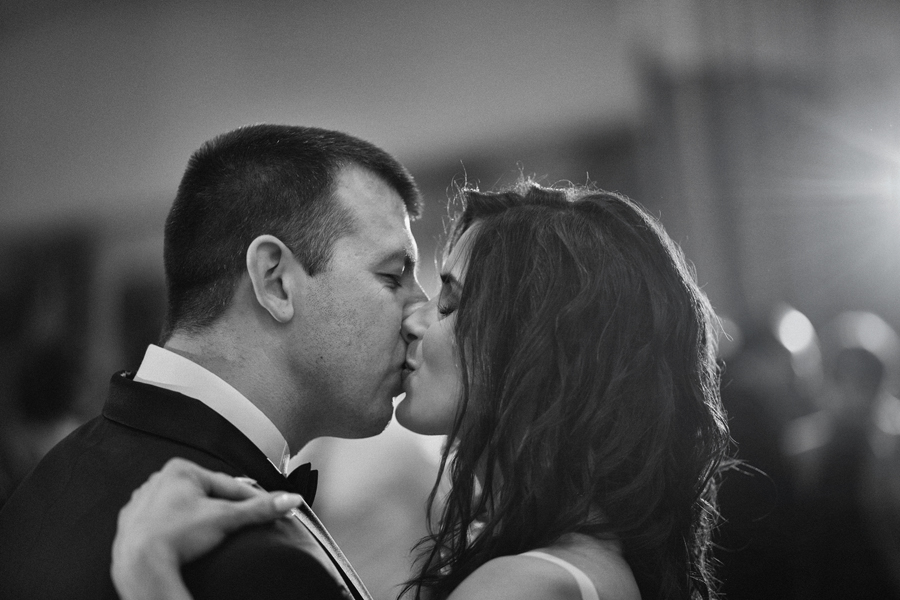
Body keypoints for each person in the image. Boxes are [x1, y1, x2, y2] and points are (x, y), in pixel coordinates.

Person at [112, 182, 731, 600]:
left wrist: (148, 575)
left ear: (531, 346)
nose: (415, 319)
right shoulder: (578, 559)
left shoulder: (525, 587)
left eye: (450, 302)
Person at [0, 124, 428, 600]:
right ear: (275, 281)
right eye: (393, 277)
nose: (422, 317)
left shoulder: (39, 493)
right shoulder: (255, 559)